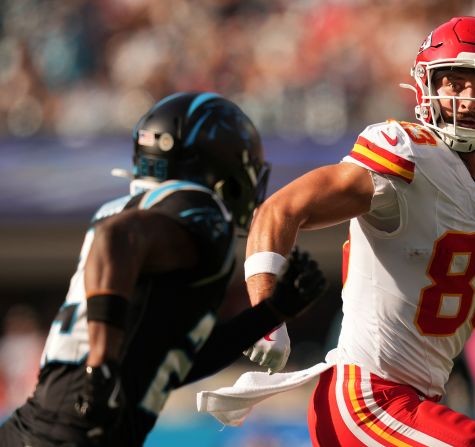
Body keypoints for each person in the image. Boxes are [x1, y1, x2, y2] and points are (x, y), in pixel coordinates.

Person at [200, 16, 475, 446]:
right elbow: (280, 209)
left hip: (421, 402)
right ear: (427, 86)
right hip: (366, 399)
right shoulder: (404, 155)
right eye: (453, 83)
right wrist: (264, 312)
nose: (467, 100)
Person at [0, 92, 326, 447]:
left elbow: (169, 364)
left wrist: (268, 313)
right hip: (76, 429)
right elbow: (116, 238)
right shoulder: (199, 210)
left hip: (38, 422)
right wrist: (102, 367)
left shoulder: (129, 207)